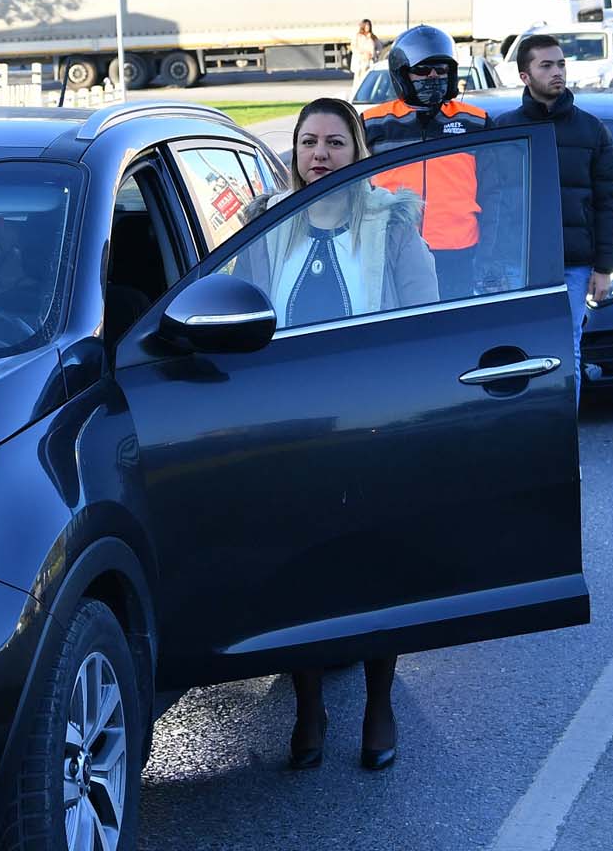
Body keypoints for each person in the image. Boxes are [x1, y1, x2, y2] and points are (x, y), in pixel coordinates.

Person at [241, 99, 435, 774]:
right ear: (294, 152)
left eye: (335, 142)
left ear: (358, 151)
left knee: (375, 571)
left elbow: (426, 325)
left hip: (373, 426)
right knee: (304, 572)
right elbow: (241, 322)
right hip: (294, 435)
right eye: (308, 142)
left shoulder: (395, 225)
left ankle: (380, 702)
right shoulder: (265, 229)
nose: (320, 154)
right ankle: (310, 706)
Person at [495, 34, 613, 406]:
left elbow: (610, 201)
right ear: (525, 76)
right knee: (517, 352)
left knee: (568, 349)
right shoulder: (505, 128)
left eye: (561, 64)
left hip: (573, 264)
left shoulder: (591, 129)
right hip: (518, 266)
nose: (557, 72)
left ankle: (565, 432)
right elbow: (494, 201)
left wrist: (605, 267)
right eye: (546, 65)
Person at [362, 25, 493, 298]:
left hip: (458, 252)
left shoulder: (474, 121)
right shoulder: (374, 123)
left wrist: (491, 253)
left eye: (440, 69)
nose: (432, 76)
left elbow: (497, 192)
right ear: (403, 74)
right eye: (422, 70)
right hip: (389, 247)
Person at [348, 19, 381, 93]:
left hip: (370, 61)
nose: (367, 27)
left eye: (369, 25)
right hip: (361, 62)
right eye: (366, 25)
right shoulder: (358, 36)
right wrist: (362, 54)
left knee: (369, 79)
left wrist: (374, 54)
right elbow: (354, 47)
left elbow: (379, 48)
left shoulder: (373, 37)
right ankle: (357, 93)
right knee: (359, 80)